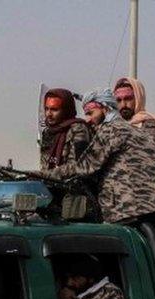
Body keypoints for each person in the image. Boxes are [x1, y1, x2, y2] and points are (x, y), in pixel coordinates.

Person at [40, 110, 155, 227]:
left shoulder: (110, 129)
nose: (87, 119)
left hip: (129, 213)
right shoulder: (143, 131)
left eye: (90, 113)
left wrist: (42, 175)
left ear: (105, 110)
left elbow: (83, 167)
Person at [40, 88, 95, 221]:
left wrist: (45, 175)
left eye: (54, 110)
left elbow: (79, 167)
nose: (49, 114)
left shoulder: (79, 129)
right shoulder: (48, 133)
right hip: (52, 197)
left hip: (75, 200)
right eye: (47, 109)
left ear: (66, 110)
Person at [114, 77, 155, 185]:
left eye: (128, 99)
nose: (123, 104)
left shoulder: (150, 125)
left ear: (138, 98)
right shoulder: (113, 127)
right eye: (119, 100)